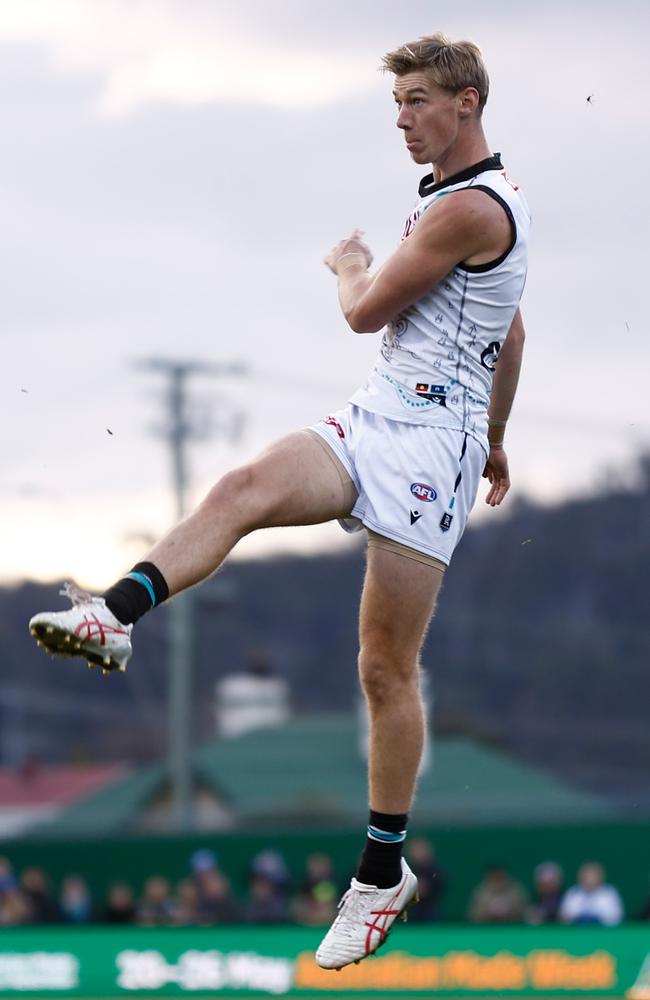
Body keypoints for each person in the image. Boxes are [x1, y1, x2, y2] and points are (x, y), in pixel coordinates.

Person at [28, 31, 529, 969]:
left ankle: (383, 872)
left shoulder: (472, 207)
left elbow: (363, 310)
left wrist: (348, 263)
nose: (405, 121)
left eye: (419, 102)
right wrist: (505, 431)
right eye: (397, 106)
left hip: (429, 450)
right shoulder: (458, 204)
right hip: (378, 417)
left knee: (383, 666)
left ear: (467, 104)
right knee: (244, 484)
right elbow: (516, 329)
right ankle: (118, 614)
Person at [559, 862, 624, 926]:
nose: (590, 879)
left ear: (600, 877)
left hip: (603, 934)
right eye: (586, 876)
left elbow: (616, 917)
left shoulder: (609, 893)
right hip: (576, 933)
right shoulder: (573, 893)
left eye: (593, 876)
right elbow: (564, 917)